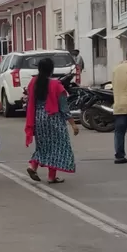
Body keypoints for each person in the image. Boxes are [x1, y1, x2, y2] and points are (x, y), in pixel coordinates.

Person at [24, 56, 78, 184]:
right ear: (51, 70)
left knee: (43, 146)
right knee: (57, 147)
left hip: (38, 118)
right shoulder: (56, 85)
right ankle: (51, 176)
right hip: (53, 119)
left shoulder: (33, 82)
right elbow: (64, 108)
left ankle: (32, 166)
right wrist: (73, 124)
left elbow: (30, 101)